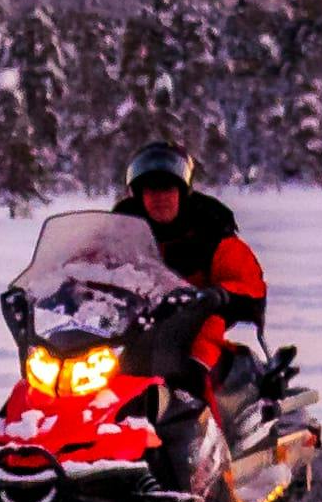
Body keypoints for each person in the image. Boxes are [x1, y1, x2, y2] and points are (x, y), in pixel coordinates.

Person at [112, 139, 272, 481]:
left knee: (190, 373)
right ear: (138, 195)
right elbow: (90, 267)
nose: (159, 197)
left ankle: (215, 476)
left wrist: (220, 296)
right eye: (150, 190)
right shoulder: (120, 231)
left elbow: (247, 280)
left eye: (167, 188)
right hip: (133, 329)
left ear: (182, 191)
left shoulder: (210, 228)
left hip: (195, 329)